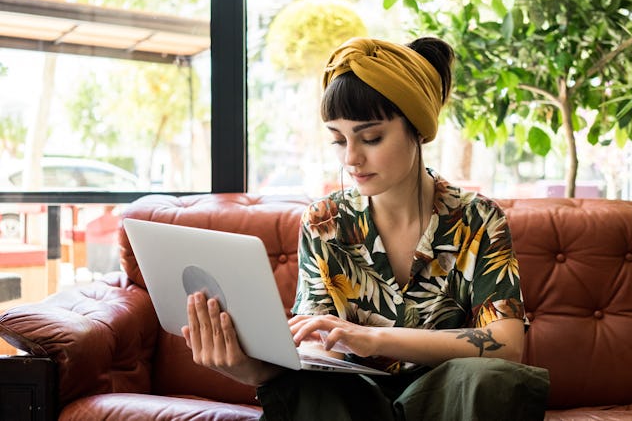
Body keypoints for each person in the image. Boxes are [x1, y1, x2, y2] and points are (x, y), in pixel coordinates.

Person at [182, 36, 550, 420]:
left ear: (417, 129)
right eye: (338, 140)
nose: (352, 159)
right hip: (354, 403)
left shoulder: (479, 220)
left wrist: (374, 338)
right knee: (307, 384)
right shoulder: (323, 222)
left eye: (371, 138)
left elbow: (507, 345)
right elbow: (315, 348)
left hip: (449, 402)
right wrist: (245, 368)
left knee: (490, 378)